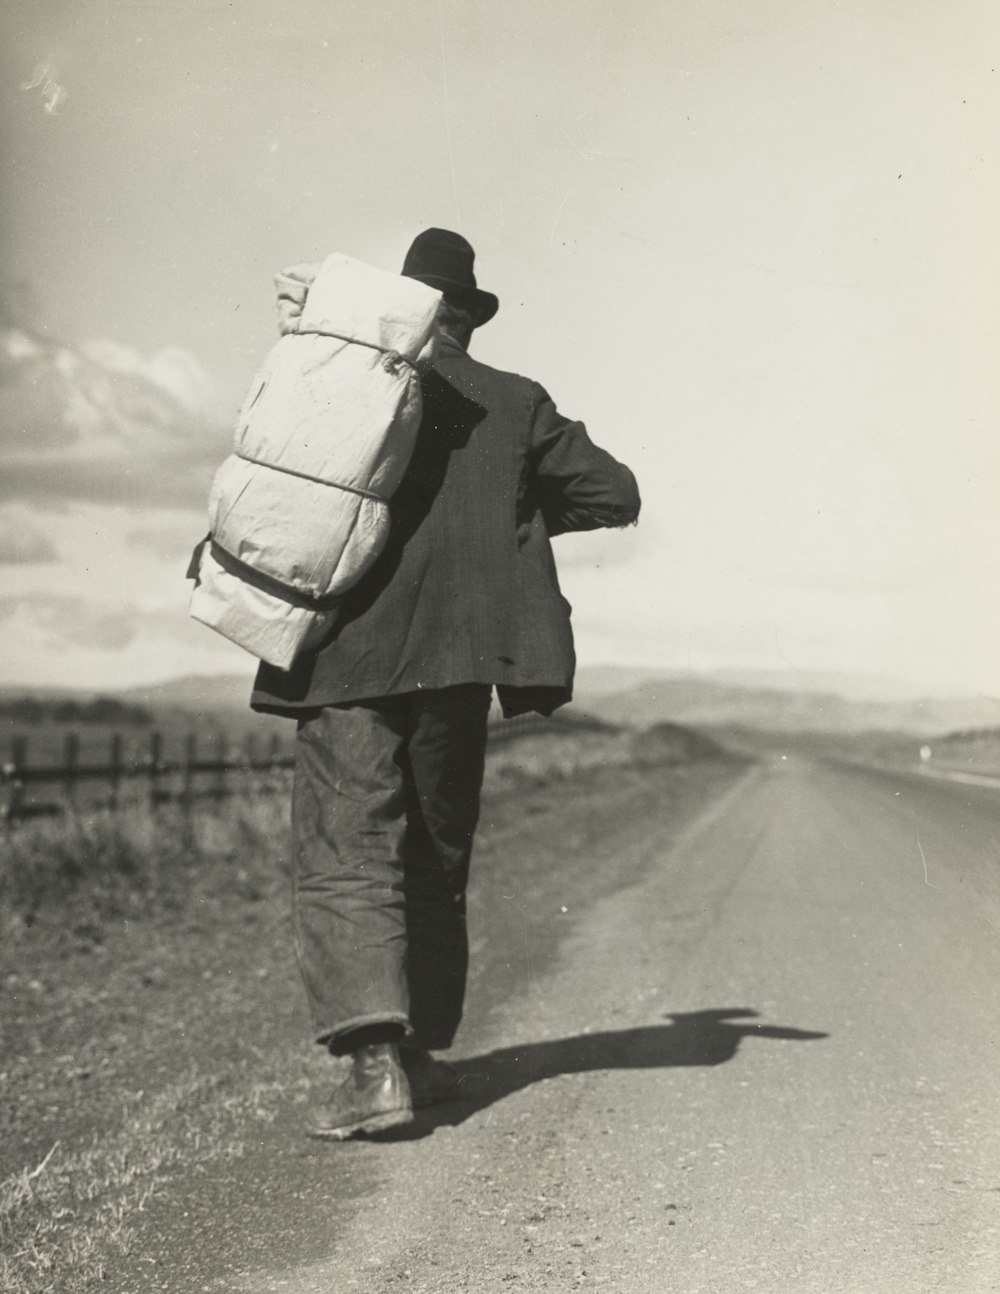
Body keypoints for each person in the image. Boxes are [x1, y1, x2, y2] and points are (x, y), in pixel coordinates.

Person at [251, 228, 641, 1139]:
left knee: (349, 850)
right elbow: (613, 495)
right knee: (434, 852)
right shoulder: (514, 403)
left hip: (342, 657)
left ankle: (376, 1070)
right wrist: (501, 517)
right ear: (466, 317)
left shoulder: (337, 384)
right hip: (461, 668)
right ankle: (419, 1056)